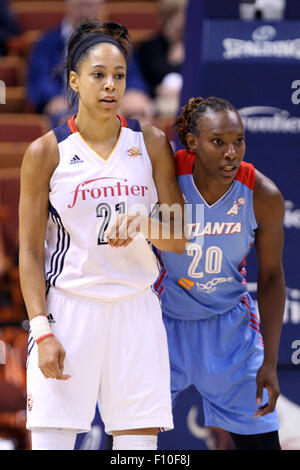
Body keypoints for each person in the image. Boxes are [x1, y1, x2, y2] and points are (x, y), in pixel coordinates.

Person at [19, 20, 186, 451]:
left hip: (136, 312)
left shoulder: (150, 144)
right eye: (98, 75)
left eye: (119, 76)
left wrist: (144, 224)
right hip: (69, 313)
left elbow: (179, 238)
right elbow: (31, 255)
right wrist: (42, 331)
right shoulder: (45, 153)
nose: (110, 85)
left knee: (137, 454)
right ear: (74, 80)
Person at [153, 96, 285, 450]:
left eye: (238, 140)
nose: (231, 152)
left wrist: (271, 362)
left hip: (230, 331)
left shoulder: (262, 194)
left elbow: (272, 277)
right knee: (128, 444)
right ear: (192, 142)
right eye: (219, 142)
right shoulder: (165, 175)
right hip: (164, 325)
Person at [26, 0, 149, 127]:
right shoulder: (47, 42)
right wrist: (52, 98)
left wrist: (133, 93)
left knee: (138, 112)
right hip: (66, 106)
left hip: (109, 102)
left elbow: (133, 76)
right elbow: (39, 79)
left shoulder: (117, 40)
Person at [136, 0, 186, 103]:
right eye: (171, 16)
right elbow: (141, 81)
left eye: (182, 15)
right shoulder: (148, 47)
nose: (178, 21)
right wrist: (157, 90)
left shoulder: (196, 47)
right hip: (157, 101)